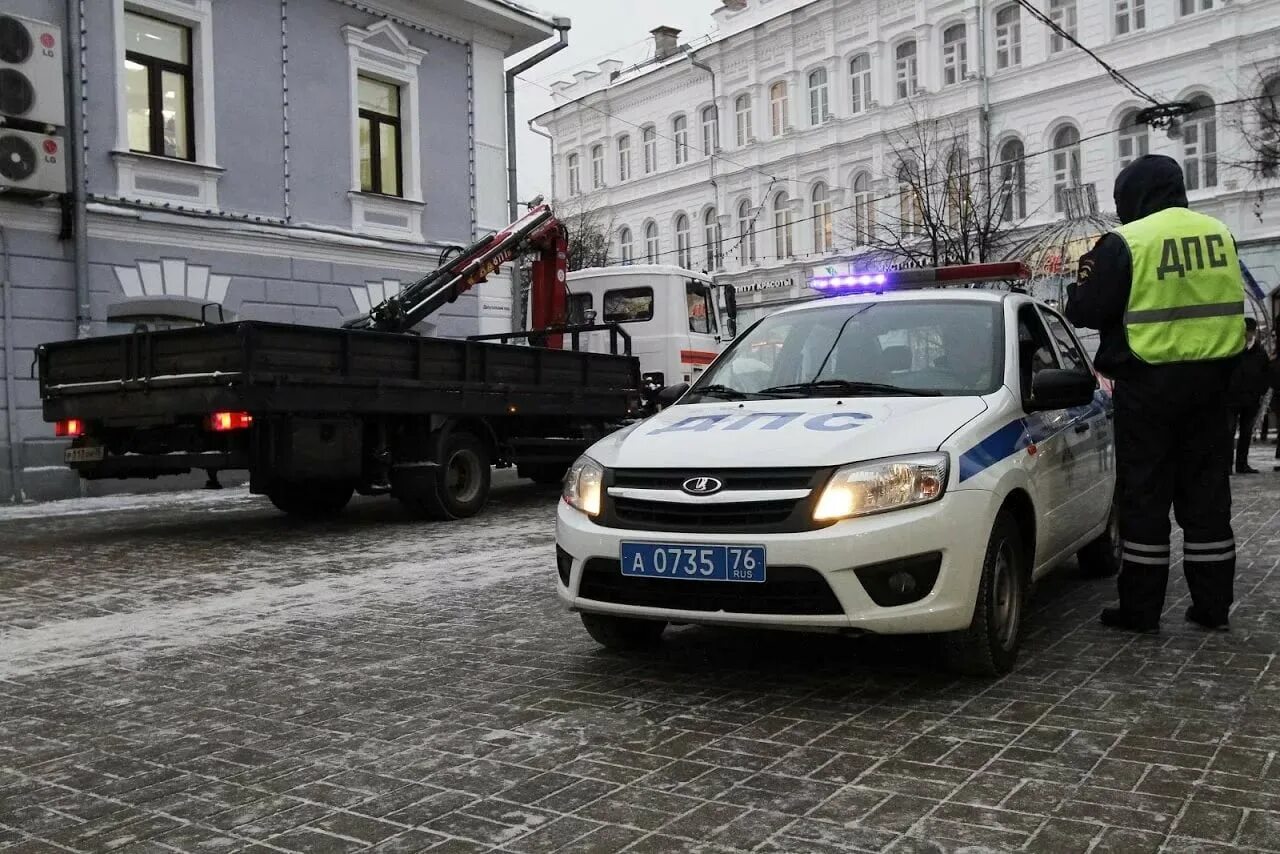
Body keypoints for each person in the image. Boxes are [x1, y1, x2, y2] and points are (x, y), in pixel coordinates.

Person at [1065, 154, 1245, 634]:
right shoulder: (1219, 235)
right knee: (1207, 501)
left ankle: (1140, 611)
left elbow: (1087, 309)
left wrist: (1081, 280)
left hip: (1148, 387)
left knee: (1145, 501)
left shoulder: (1126, 242)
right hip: (1212, 386)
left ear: (1132, 197)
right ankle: (1212, 607)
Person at [1227, 318, 1270, 474]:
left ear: (1252, 332)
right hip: (1232, 399)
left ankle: (1242, 464)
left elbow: (1266, 374)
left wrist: (1260, 392)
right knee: (1229, 432)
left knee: (1246, 433)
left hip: (1251, 399)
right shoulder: (1233, 350)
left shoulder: (1260, 352)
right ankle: (1227, 465)